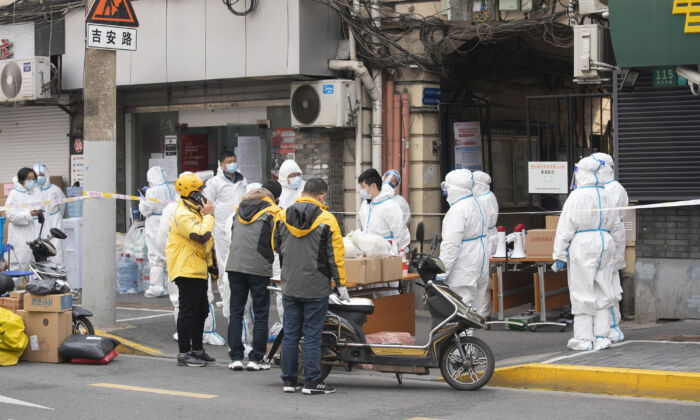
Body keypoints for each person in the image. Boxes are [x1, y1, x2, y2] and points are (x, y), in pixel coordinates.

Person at [274, 178, 349, 395]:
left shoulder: (282, 215)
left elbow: (275, 246)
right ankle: (312, 381)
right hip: (316, 286)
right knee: (313, 335)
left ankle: (288, 380)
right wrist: (341, 284)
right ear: (321, 196)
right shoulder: (328, 219)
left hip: (290, 283)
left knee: (290, 334)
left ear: (303, 192)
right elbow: (336, 257)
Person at [552, 156, 625, 352]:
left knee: (582, 292)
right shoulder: (607, 194)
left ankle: (583, 338)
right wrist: (618, 252)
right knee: (603, 290)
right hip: (605, 243)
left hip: (583, 245)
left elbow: (565, 227)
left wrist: (559, 254)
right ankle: (602, 335)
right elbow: (617, 227)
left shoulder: (577, 196)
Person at [226, 188, 283, 371]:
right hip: (258, 267)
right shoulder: (271, 212)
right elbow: (277, 242)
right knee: (260, 313)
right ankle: (256, 359)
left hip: (235, 265)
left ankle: (235, 358)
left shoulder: (237, 211)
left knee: (236, 312)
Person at [166, 172, 218, 367]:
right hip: (185, 268)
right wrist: (210, 215)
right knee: (188, 311)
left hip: (198, 267)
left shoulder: (195, 210)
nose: (203, 194)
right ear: (192, 193)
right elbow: (201, 234)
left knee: (201, 310)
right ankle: (184, 352)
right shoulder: (182, 213)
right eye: (200, 191)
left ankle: (197, 349)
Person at [438, 169, 489, 311]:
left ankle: (463, 334)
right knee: (473, 311)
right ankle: (469, 334)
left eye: (447, 187)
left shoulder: (457, 211)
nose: (445, 192)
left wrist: (442, 272)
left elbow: (451, 246)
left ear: (454, 188)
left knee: (460, 309)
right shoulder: (477, 204)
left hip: (464, 267)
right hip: (480, 263)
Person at [592, 152, 629, 343]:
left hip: (610, 240)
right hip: (601, 239)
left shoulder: (614, 189)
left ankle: (613, 327)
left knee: (610, 284)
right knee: (599, 285)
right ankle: (600, 326)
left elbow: (610, 218)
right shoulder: (597, 188)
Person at [203, 150, 247, 304]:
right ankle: (224, 294)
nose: (232, 164)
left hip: (239, 224)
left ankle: (237, 293)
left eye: (234, 160)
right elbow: (209, 202)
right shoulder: (215, 182)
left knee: (239, 258)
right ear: (221, 165)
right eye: (228, 162)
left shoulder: (242, 180)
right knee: (223, 261)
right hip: (221, 225)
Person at [139, 166, 177, 298]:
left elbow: (146, 210)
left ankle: (156, 287)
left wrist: (142, 200)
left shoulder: (151, 191)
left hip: (154, 223)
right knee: (169, 253)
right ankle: (170, 285)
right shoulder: (172, 188)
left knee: (156, 255)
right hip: (170, 221)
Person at [472, 171, 499, 318]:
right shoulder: (488, 197)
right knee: (483, 276)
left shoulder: (485, 199)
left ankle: (482, 312)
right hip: (487, 239)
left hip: (486, 240)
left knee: (482, 277)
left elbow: (482, 221)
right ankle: (482, 311)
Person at [5, 168, 41, 271]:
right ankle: (13, 287)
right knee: (19, 267)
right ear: (21, 180)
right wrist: (28, 214)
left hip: (33, 233)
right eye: (29, 179)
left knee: (34, 267)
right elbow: (10, 215)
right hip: (19, 236)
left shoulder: (34, 192)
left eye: (34, 179)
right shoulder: (14, 194)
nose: (32, 181)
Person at [32, 164, 66, 265]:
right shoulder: (31, 192)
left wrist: (55, 216)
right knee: (38, 251)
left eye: (41, 175)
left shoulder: (55, 190)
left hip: (53, 223)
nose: (39, 178)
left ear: (46, 175)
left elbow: (62, 205)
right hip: (37, 224)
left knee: (56, 251)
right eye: (36, 175)